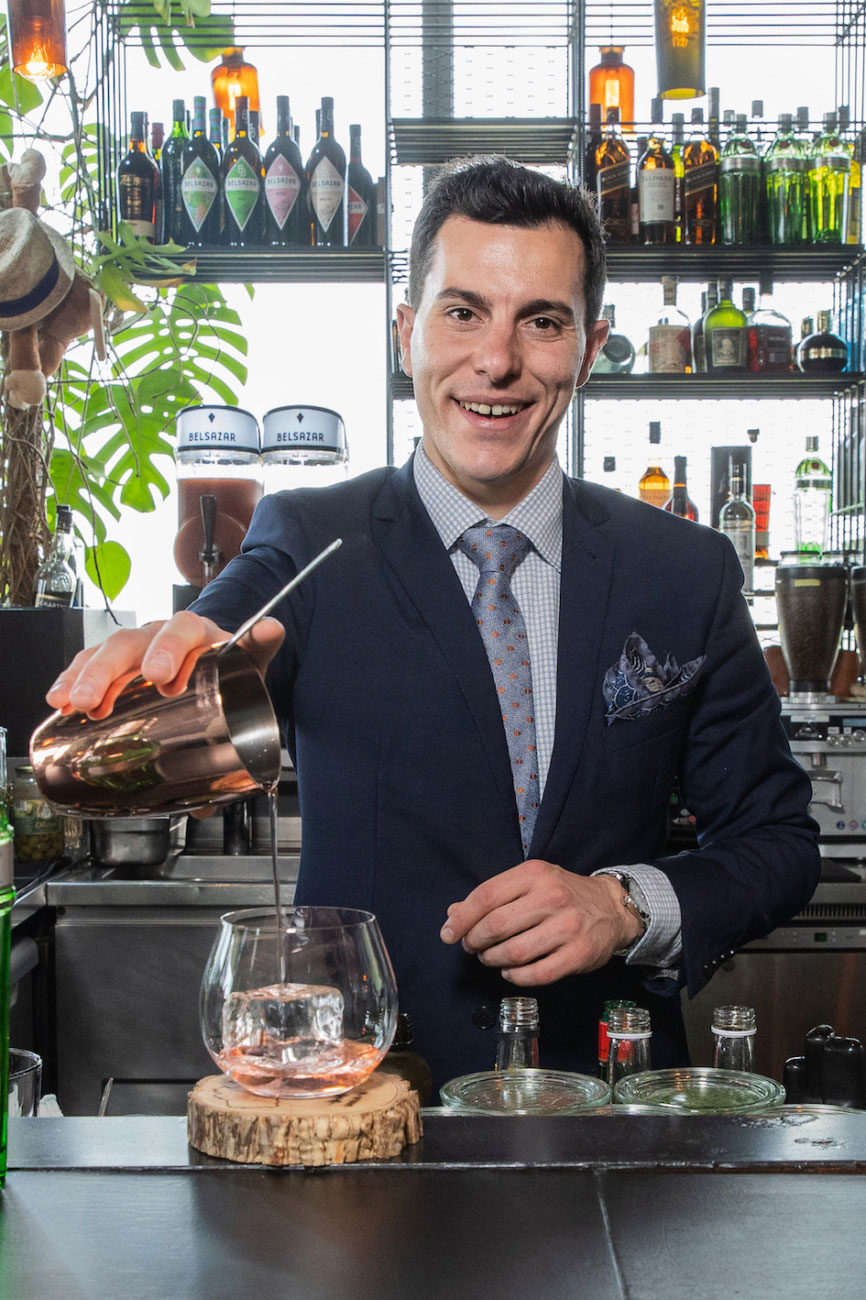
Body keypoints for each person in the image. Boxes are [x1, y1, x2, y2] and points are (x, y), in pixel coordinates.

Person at [47, 157, 820, 1091]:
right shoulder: (309, 539)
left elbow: (778, 844)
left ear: (587, 349)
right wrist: (173, 664)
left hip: (610, 1110)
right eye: (463, 313)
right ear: (406, 332)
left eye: (541, 321)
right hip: (372, 1104)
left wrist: (623, 905)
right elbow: (229, 625)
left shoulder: (684, 570)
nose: (496, 361)